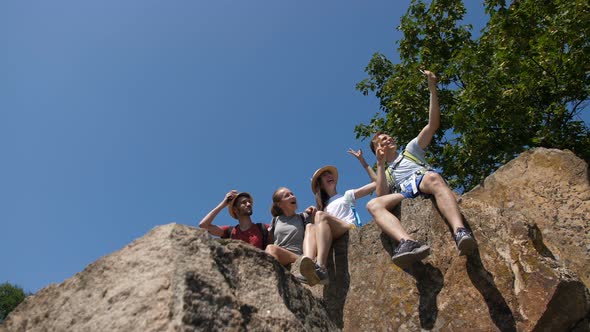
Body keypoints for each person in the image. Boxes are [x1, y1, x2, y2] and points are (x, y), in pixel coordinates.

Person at [365, 69, 476, 268]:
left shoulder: (410, 150)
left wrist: (432, 88)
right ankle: (407, 241)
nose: (389, 138)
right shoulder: (386, 171)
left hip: (421, 179)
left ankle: (460, 231)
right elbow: (381, 196)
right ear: (377, 148)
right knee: (373, 205)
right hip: (405, 192)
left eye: (389, 136)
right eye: (383, 140)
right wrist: (380, 164)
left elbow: (432, 125)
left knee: (432, 177)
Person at [309, 165, 375, 279]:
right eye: (324, 176)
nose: (329, 176)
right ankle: (309, 266)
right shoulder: (322, 208)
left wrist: (364, 163)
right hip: (333, 232)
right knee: (310, 226)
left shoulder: (347, 195)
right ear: (320, 184)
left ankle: (321, 266)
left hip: (349, 226)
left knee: (320, 216)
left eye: (329, 174)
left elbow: (375, 184)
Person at [265, 187, 326, 286]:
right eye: (287, 196)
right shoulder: (275, 221)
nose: (292, 196)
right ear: (280, 204)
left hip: (298, 257)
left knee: (271, 249)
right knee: (270, 249)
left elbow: (319, 228)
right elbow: (269, 241)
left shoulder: (304, 217)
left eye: (292, 194)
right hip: (280, 255)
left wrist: (313, 211)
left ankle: (308, 265)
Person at [199, 190, 269, 250]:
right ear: (235, 209)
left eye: (249, 202)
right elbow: (203, 225)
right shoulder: (230, 232)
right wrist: (223, 204)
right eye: (244, 202)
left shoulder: (263, 228)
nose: (248, 204)